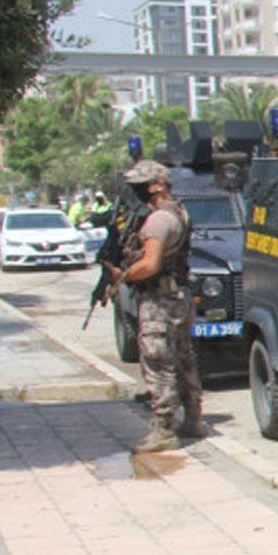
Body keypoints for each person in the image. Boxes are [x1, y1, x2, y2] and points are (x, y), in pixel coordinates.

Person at [105, 161, 205, 452]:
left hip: (160, 301)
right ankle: (194, 419)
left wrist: (123, 275)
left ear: (158, 185)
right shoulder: (178, 212)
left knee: (158, 363)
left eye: (141, 184)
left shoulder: (159, 220)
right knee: (183, 359)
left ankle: (164, 430)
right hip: (178, 297)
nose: (136, 190)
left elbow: (150, 265)